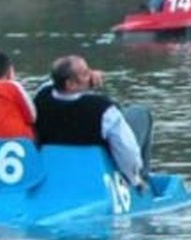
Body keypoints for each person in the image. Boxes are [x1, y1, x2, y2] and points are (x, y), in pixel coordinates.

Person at [33, 55, 152, 190]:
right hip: (97, 165)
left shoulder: (41, 97)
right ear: (70, 84)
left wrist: (85, 79)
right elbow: (126, 149)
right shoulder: (103, 109)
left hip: (55, 161)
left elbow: (53, 82)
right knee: (140, 113)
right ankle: (144, 177)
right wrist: (134, 179)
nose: (91, 75)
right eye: (85, 73)